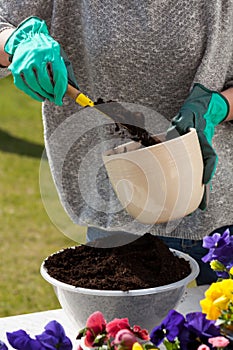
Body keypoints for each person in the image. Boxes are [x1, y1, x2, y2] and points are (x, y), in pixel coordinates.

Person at [1, 1, 233, 285]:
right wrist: (15, 42)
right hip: (117, 215)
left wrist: (219, 106)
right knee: (125, 330)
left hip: (223, 217)